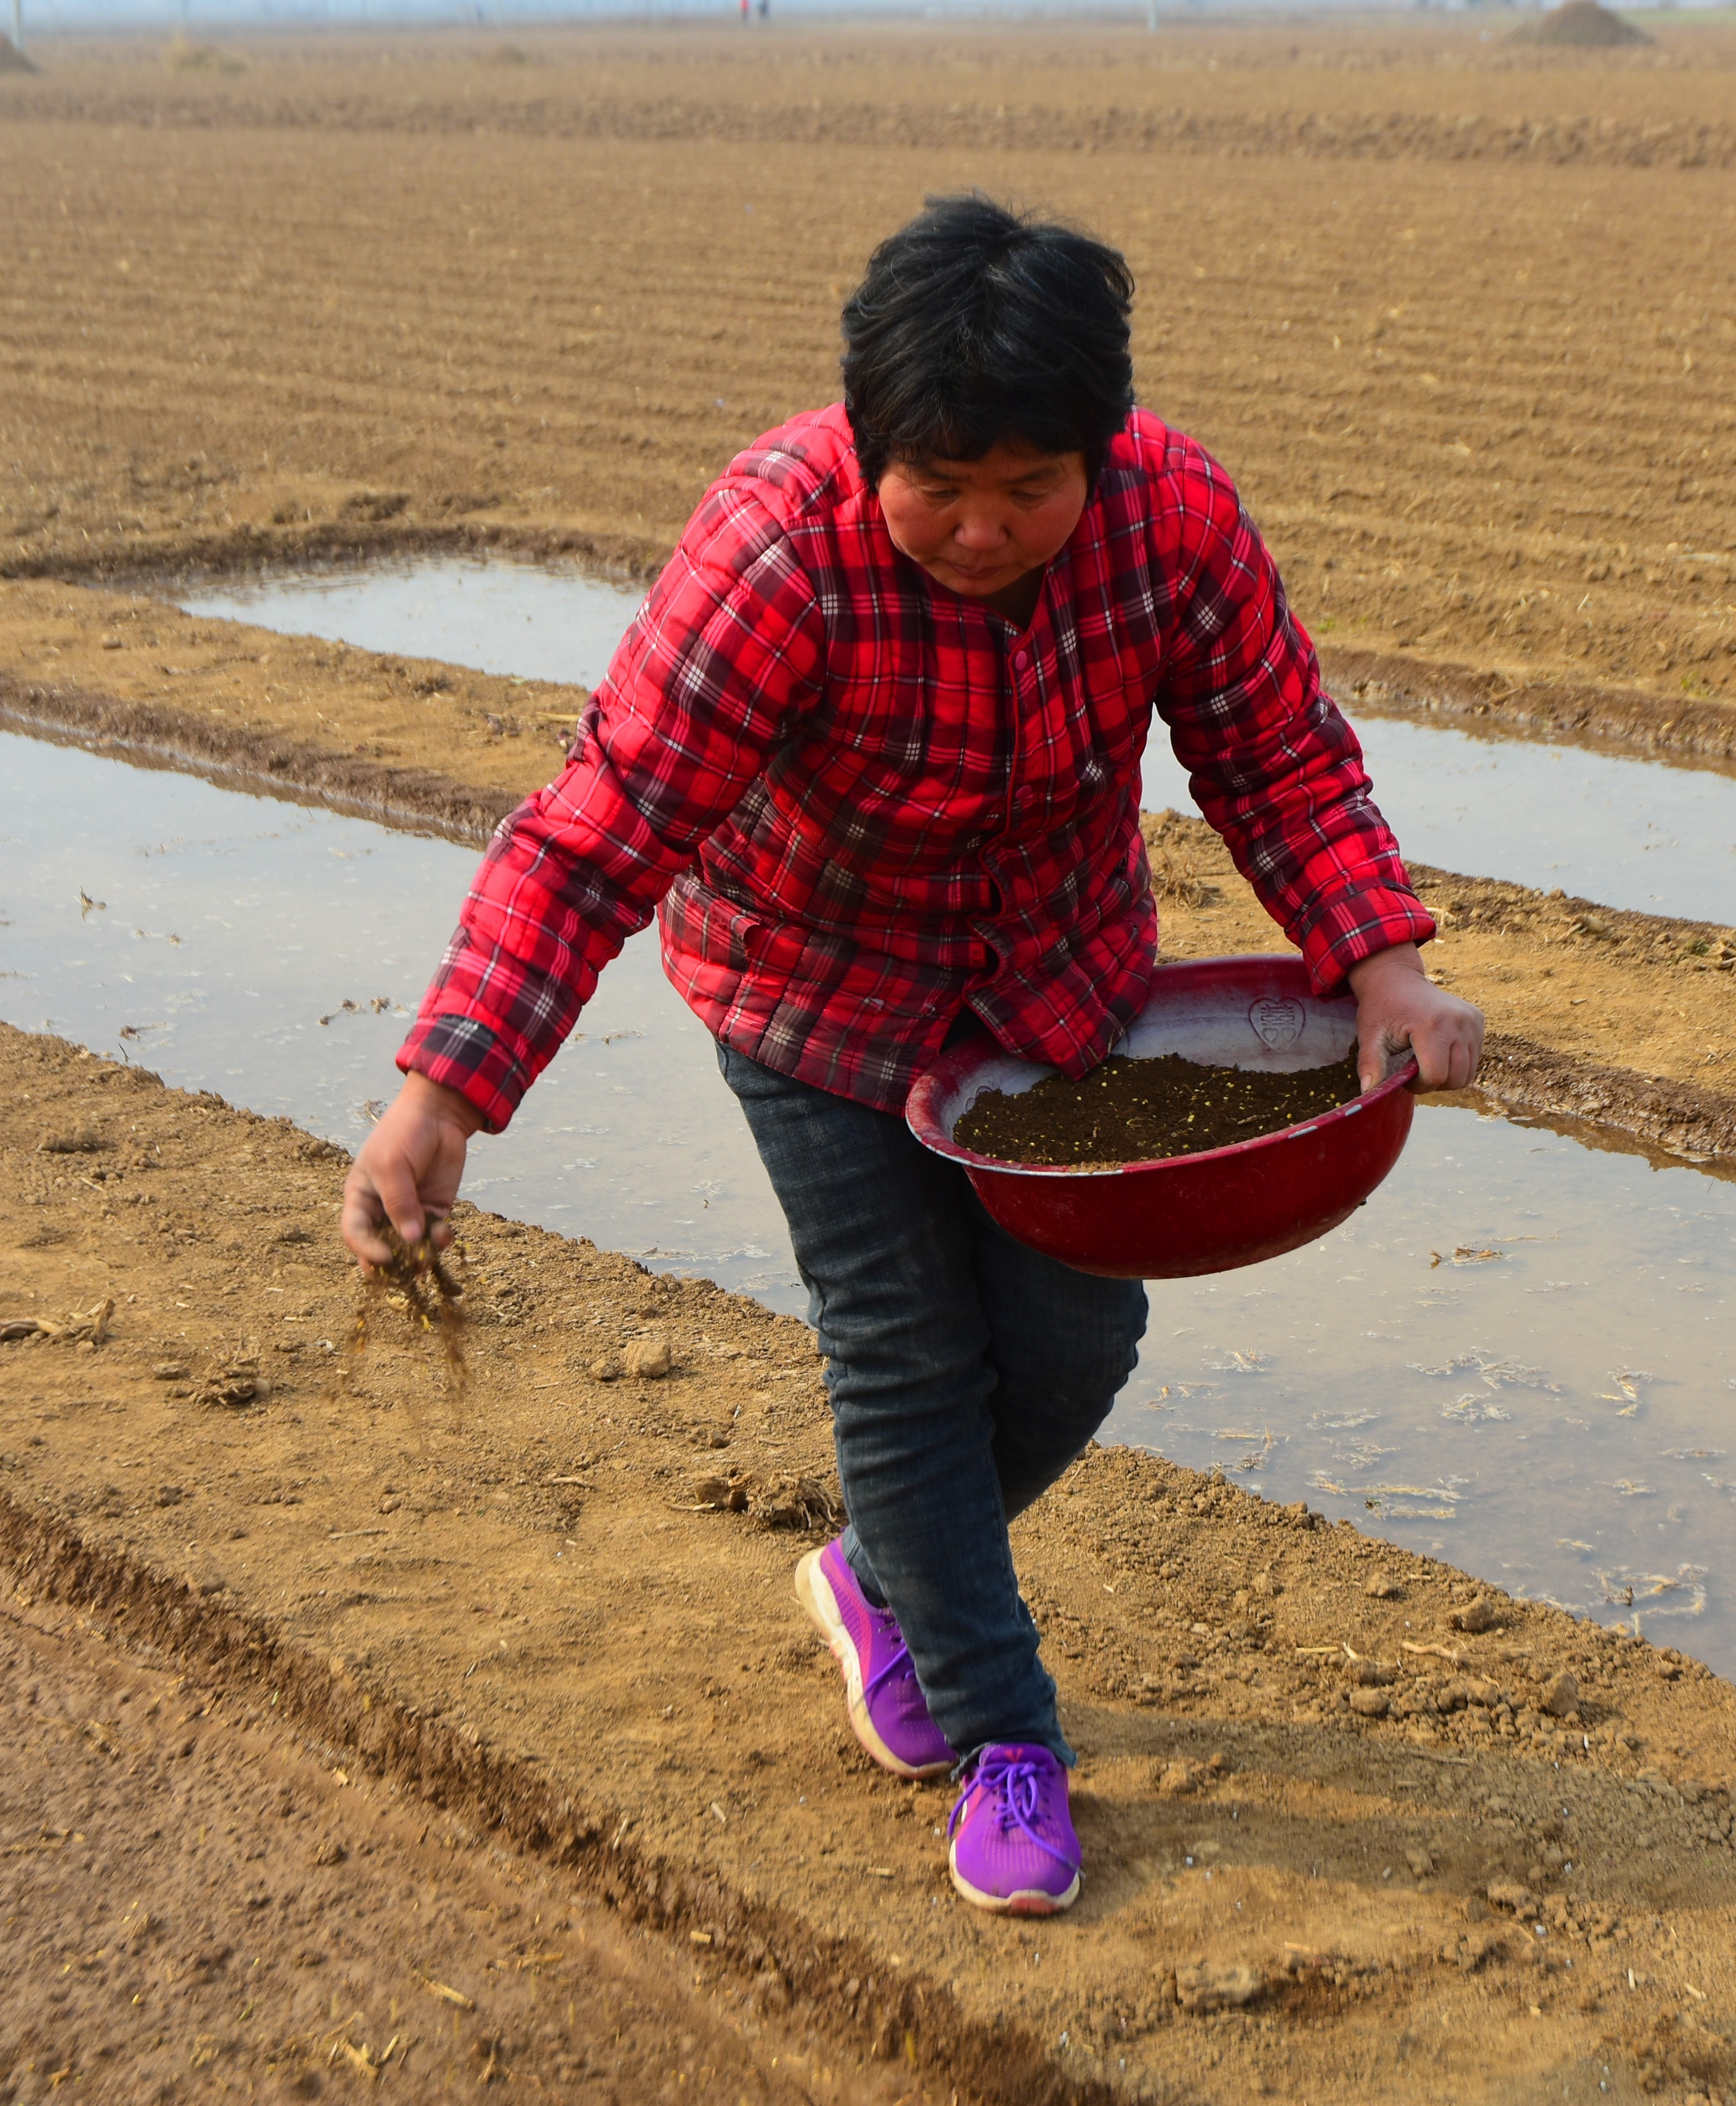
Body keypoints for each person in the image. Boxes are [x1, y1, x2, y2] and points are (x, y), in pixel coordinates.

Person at [341, 193, 1483, 1917]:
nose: (982, 529)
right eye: (938, 487)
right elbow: (603, 829)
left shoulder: (1172, 519)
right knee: (902, 1349)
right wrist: (447, 1095)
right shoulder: (777, 552)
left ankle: (886, 1574)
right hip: (815, 992)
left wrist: (1380, 962)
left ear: (1100, 453)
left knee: (1076, 1340)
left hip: (1058, 985)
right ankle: (1003, 1737)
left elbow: (1274, 749)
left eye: (1031, 488)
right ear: (868, 444)